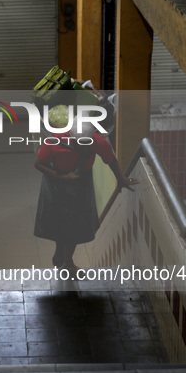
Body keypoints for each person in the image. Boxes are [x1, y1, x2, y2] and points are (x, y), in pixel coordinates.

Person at [34, 105, 139, 274]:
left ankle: (68, 262)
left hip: (81, 182)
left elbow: (110, 159)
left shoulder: (97, 141)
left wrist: (121, 180)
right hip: (56, 182)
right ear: (70, 134)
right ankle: (60, 248)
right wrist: (61, 176)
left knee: (75, 222)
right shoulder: (54, 141)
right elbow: (38, 164)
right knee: (60, 219)